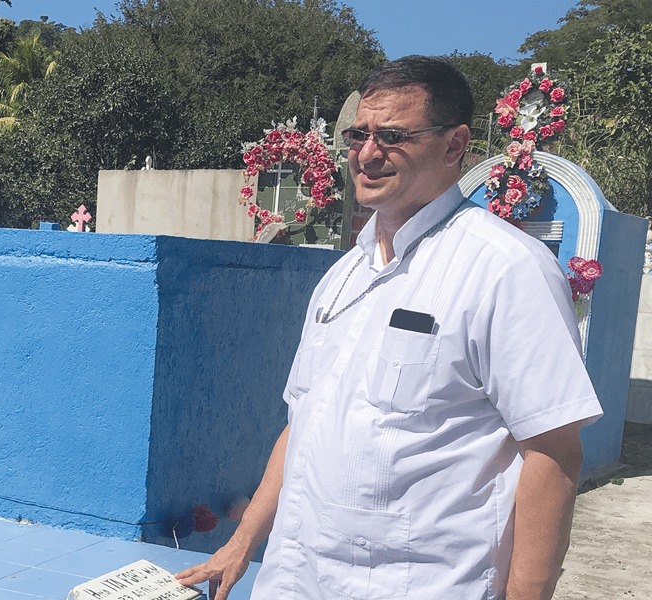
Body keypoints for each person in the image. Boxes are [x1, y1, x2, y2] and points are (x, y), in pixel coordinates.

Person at [176, 56, 603, 600]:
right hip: (297, 580)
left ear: (454, 145)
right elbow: (302, 423)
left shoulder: (505, 269)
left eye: (393, 136)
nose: (368, 154)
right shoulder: (342, 277)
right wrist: (241, 544)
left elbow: (554, 451)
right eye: (359, 135)